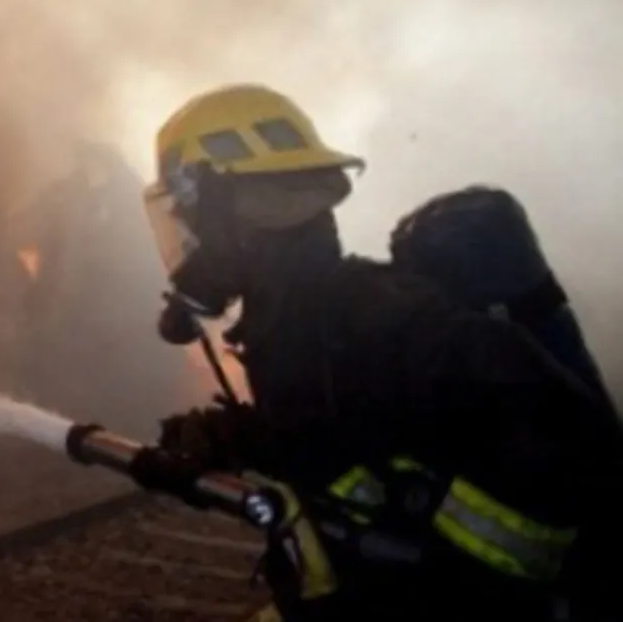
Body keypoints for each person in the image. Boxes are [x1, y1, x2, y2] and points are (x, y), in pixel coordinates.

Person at [144, 84, 619, 621]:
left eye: (189, 215)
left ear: (226, 214)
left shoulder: (374, 317)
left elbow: (572, 430)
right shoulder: (300, 323)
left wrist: (438, 575)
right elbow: (355, 438)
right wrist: (238, 438)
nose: (188, 241)